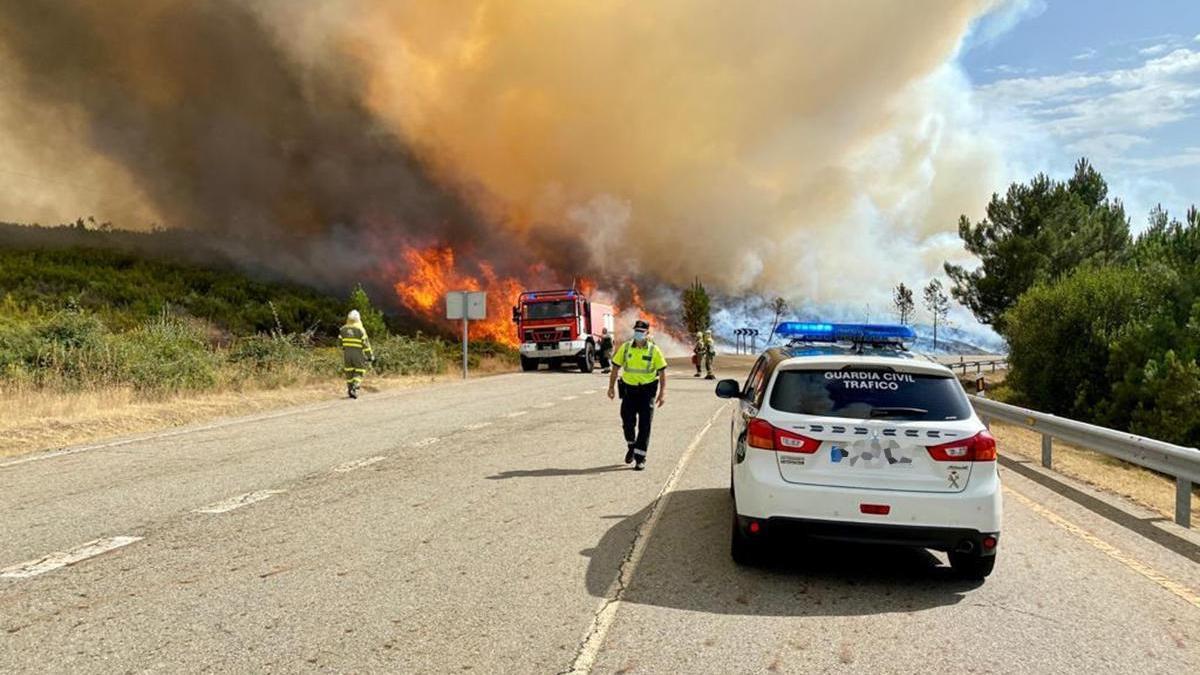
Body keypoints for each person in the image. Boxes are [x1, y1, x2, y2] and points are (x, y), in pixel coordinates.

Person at [607, 319, 667, 470]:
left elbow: (662, 372)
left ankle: (640, 458)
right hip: (629, 391)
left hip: (647, 392)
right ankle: (631, 446)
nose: (638, 334)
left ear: (647, 333)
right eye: (636, 331)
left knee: (645, 425)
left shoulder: (654, 350)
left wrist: (662, 393)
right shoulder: (626, 348)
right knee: (627, 422)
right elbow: (615, 368)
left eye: (641, 332)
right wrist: (611, 387)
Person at [339, 310, 374, 399]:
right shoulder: (360, 330)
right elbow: (366, 345)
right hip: (357, 353)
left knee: (349, 372)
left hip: (346, 354)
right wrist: (370, 356)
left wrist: (344, 348)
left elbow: (339, 342)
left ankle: (350, 390)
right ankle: (355, 386)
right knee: (360, 370)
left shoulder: (342, 329)